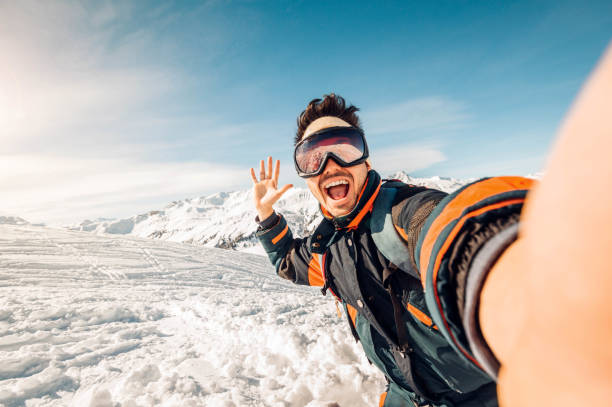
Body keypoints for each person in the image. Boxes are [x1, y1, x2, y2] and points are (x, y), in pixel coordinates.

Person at [249, 44, 612, 407]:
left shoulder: (402, 213)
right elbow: (287, 262)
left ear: (366, 160)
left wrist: (530, 300)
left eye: (344, 149)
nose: (328, 164)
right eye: (312, 158)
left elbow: (446, 229)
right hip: (404, 398)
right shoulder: (328, 250)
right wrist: (267, 217)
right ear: (306, 176)